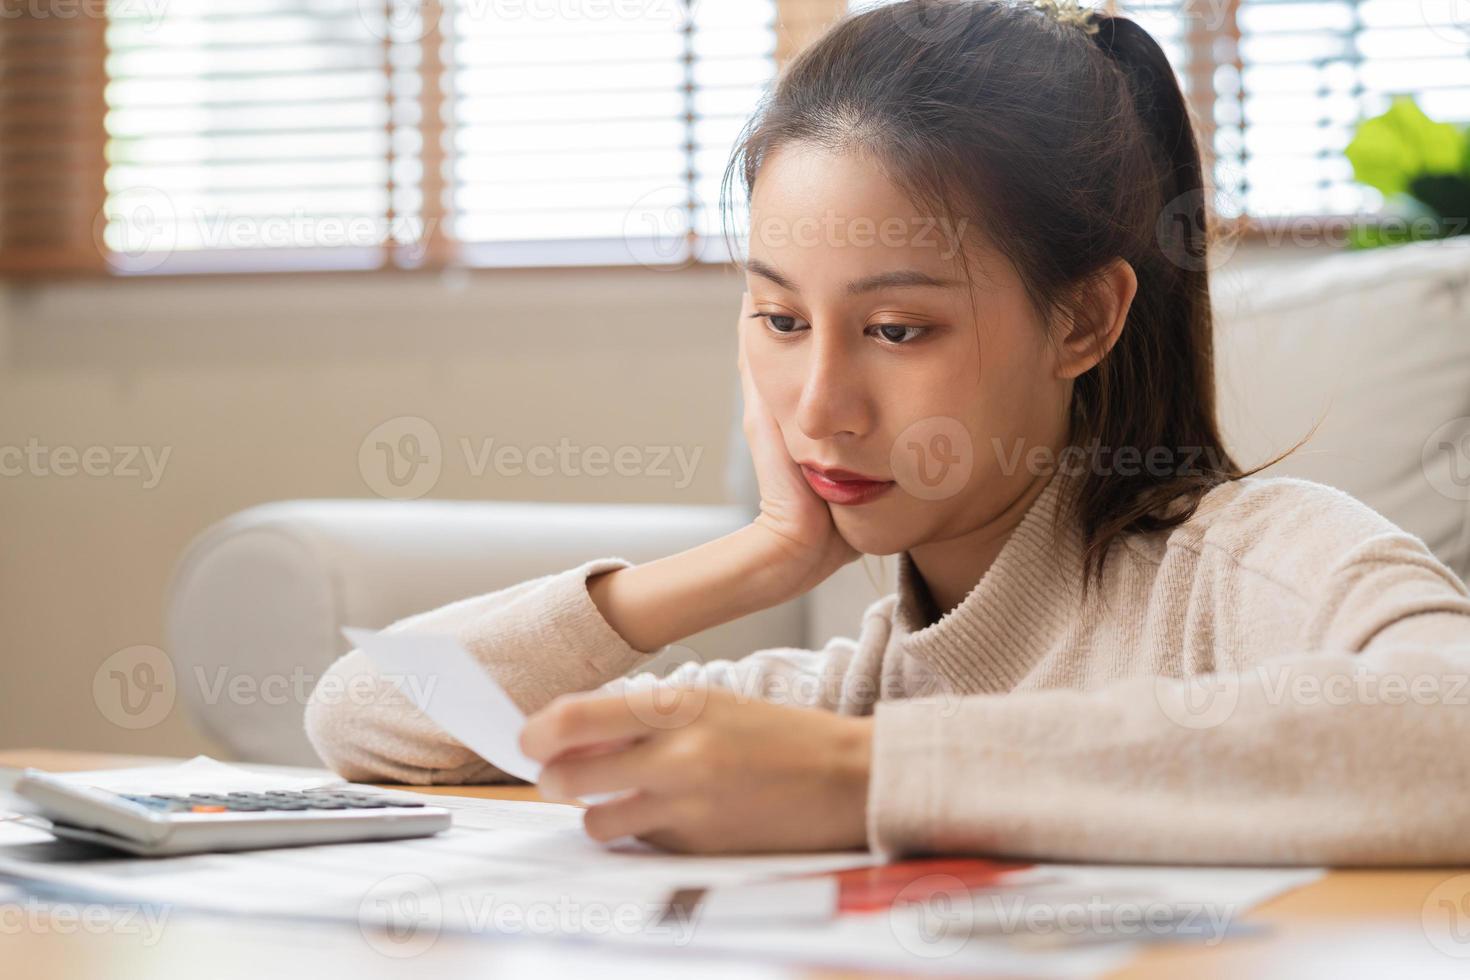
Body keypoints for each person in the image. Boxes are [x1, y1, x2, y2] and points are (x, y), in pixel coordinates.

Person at [305, 0, 1470, 863]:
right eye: (778, 317)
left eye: (899, 328)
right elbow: (368, 716)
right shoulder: (866, 682)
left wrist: (860, 777)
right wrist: (756, 555)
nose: (819, 406)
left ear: (1086, 317)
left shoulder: (1247, 564)